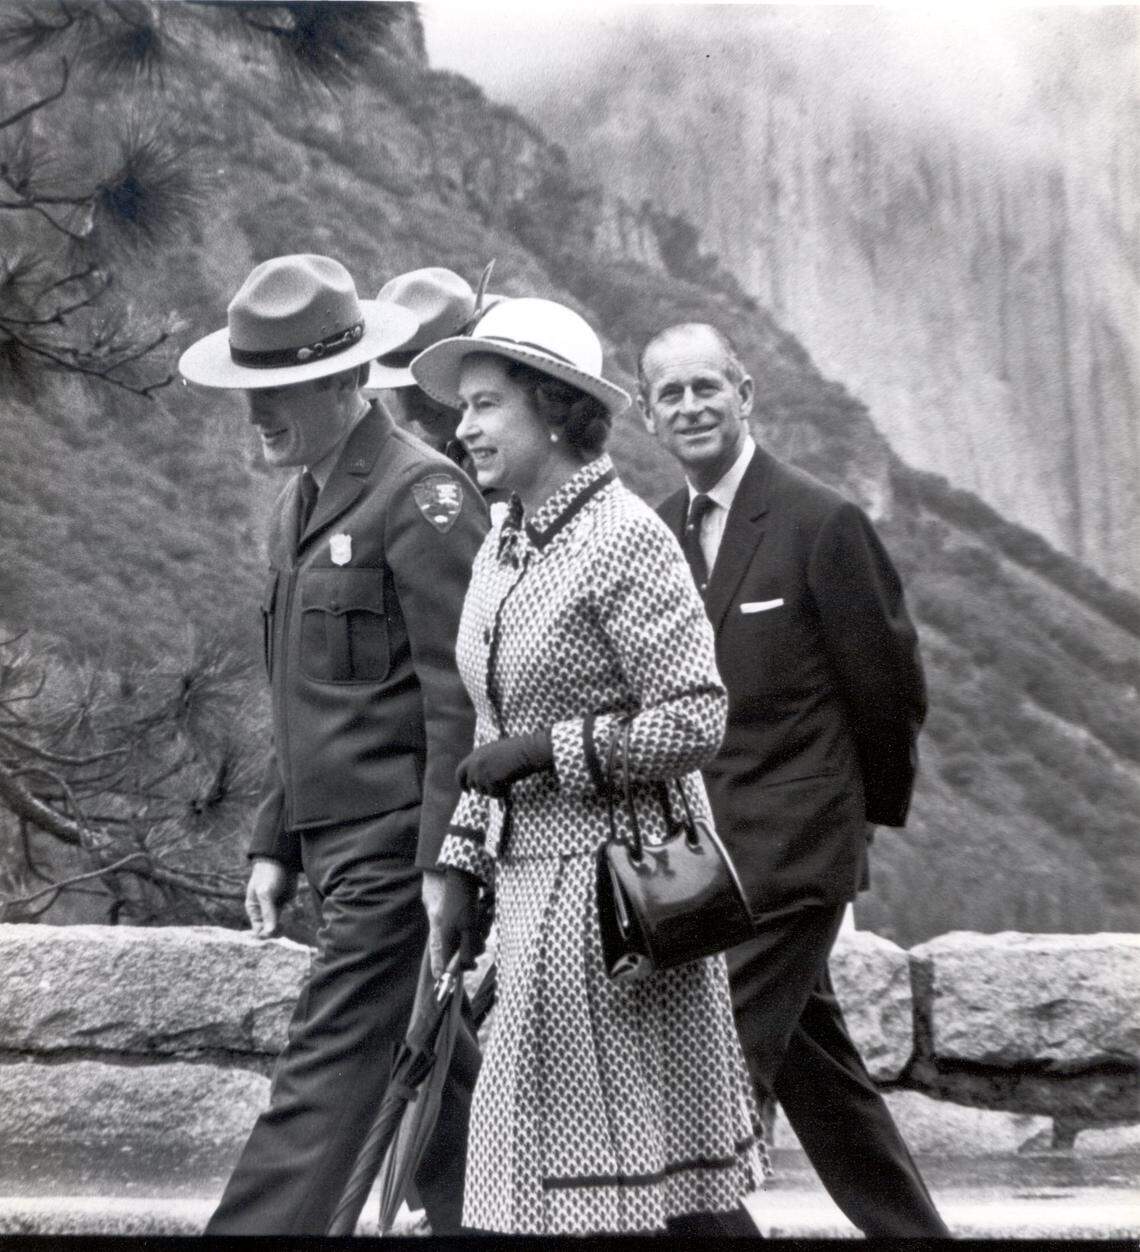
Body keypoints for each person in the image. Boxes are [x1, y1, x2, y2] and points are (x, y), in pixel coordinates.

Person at [409, 298, 769, 1237]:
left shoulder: (626, 537)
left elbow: (697, 717)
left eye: (486, 405)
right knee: (621, 1184)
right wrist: (461, 868)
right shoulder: (503, 544)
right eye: (464, 407)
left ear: (555, 408)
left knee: (600, 1180)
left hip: (622, 896)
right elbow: (490, 729)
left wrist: (551, 751)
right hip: (529, 889)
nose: (464, 428)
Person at [177, 254, 488, 1235]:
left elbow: (461, 705)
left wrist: (446, 863)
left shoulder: (423, 497)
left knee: (320, 1087)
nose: (255, 412)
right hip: (339, 851)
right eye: (249, 386)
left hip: (397, 858)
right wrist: (276, 840)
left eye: (280, 387)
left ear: (348, 378)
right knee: (444, 1101)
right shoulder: (301, 503)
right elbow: (300, 694)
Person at [639, 321, 952, 1238]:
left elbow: (889, 691)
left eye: (707, 387)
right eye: (670, 394)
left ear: (744, 395)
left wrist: (850, 836)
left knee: (695, 1098)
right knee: (825, 1082)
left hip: (792, 859)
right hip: (695, 867)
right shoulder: (654, 533)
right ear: (649, 416)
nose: (691, 406)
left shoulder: (822, 521)